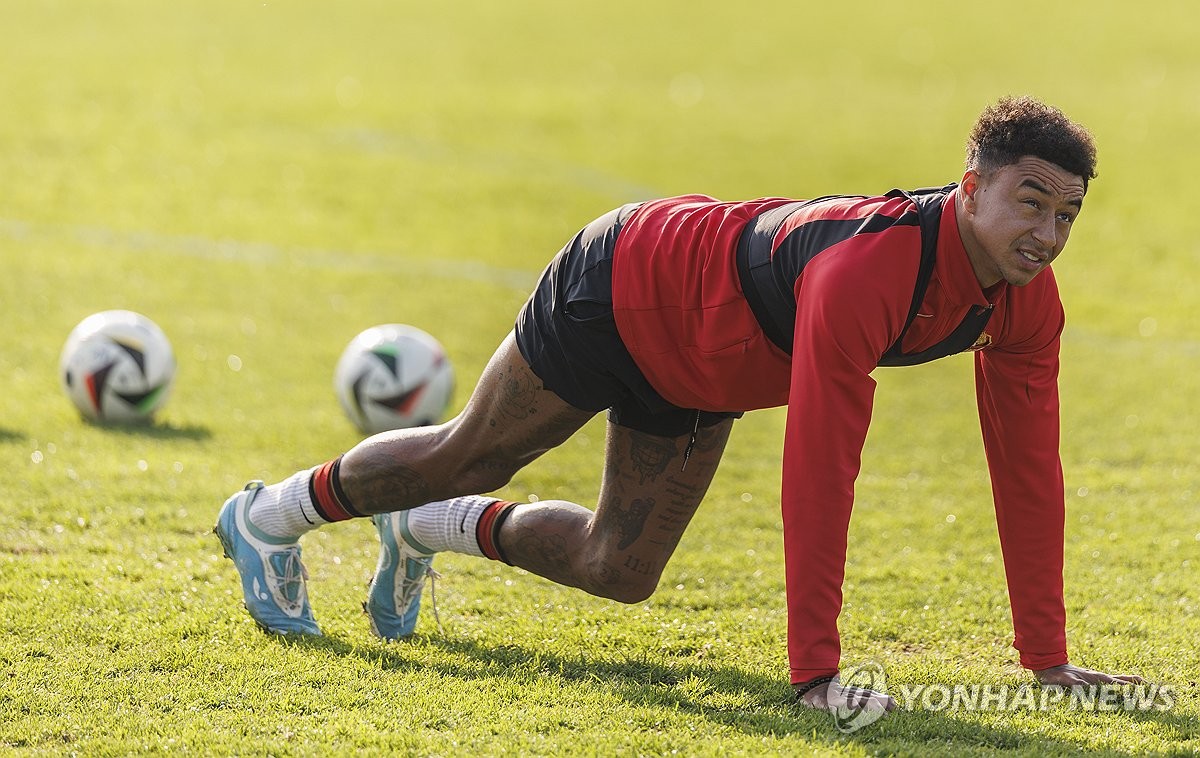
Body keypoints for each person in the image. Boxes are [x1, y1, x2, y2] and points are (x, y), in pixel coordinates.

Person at [215, 95, 1144, 718]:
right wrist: (818, 674)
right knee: (475, 453)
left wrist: (1046, 661)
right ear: (971, 188)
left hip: (706, 371)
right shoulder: (869, 271)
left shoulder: (1027, 305)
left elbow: (1028, 474)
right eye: (1031, 203)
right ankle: (267, 516)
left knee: (618, 570)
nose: (1048, 234)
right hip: (630, 283)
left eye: (1067, 216)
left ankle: (426, 530)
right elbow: (822, 468)